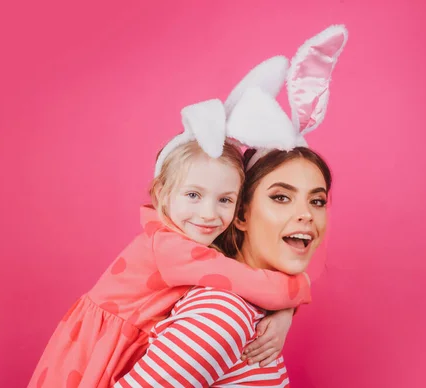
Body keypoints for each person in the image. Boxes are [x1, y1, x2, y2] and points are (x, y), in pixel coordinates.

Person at [27, 48, 318, 388]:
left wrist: (283, 314)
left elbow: (244, 283)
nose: (209, 214)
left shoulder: (193, 244)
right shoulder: (169, 247)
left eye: (225, 199)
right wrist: (300, 288)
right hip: (93, 357)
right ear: (162, 193)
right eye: (193, 195)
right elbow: (249, 283)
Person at [114, 24, 348, 387]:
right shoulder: (223, 315)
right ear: (238, 214)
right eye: (281, 197)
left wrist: (285, 307)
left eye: (317, 200)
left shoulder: (249, 309)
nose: (306, 214)